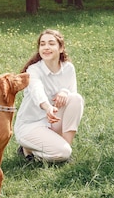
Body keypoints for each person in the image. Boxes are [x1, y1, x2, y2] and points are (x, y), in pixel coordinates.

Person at [14, 29, 84, 162]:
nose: (46, 47)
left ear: (61, 48)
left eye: (51, 43)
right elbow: (37, 91)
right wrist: (48, 107)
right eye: (42, 44)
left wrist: (65, 91)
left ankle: (65, 148)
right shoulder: (33, 70)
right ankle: (28, 151)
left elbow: (72, 93)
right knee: (62, 153)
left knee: (76, 99)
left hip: (52, 123)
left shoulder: (68, 68)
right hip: (31, 126)